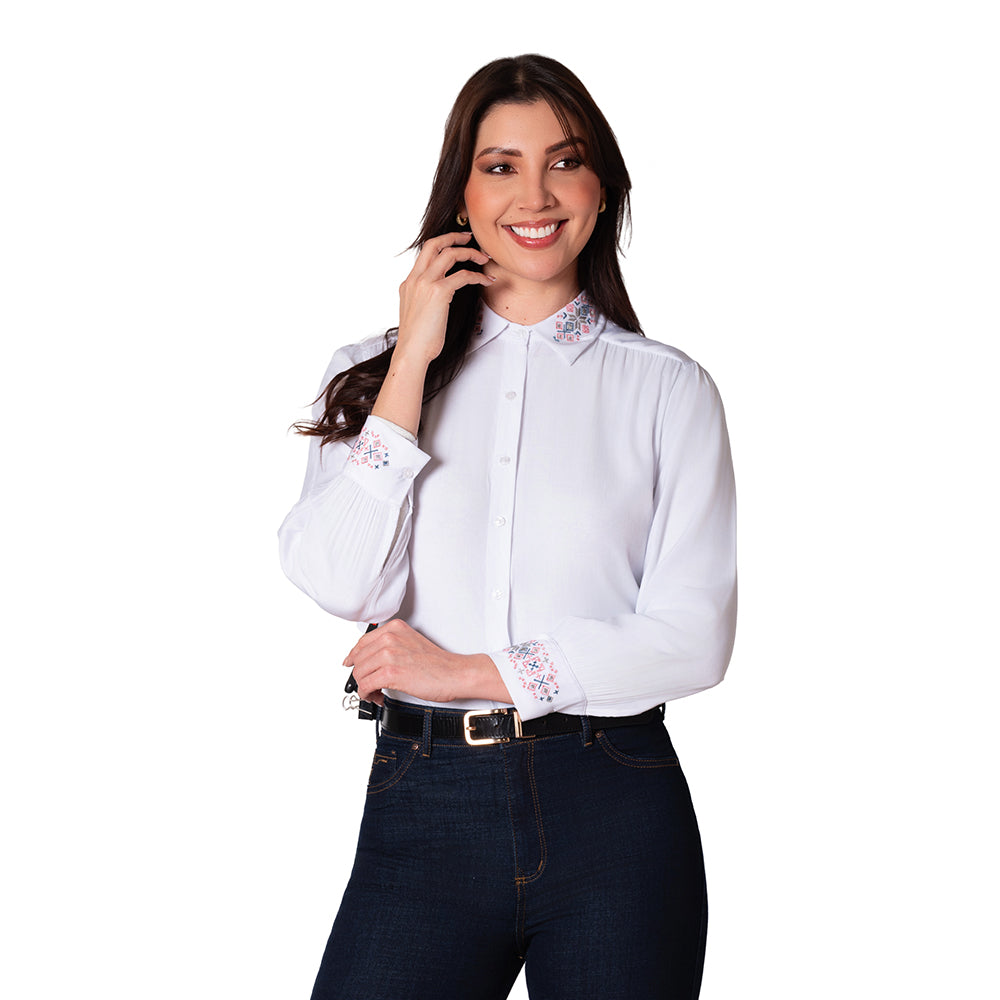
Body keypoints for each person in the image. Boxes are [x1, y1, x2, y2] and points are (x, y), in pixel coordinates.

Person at [278, 53, 737, 1000]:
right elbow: (338, 581)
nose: (535, 195)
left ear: (603, 189)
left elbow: (693, 639)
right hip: (422, 802)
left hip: (613, 803)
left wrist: (469, 673)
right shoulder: (373, 374)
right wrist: (412, 360)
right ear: (463, 192)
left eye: (564, 162)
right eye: (501, 166)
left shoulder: (668, 390)